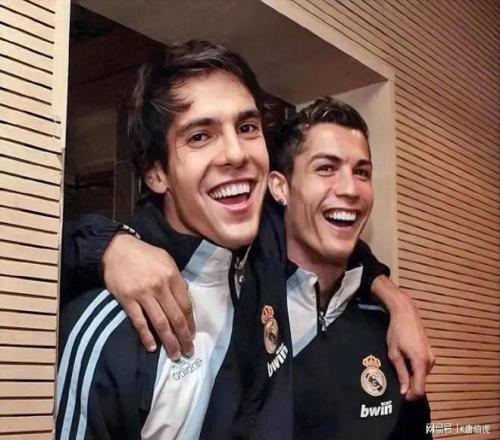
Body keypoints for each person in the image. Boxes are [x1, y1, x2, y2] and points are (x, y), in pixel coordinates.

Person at [56, 40, 294, 440]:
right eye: (200, 136)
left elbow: (333, 227)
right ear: (156, 174)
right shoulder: (111, 329)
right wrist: (107, 246)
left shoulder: (267, 239)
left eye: (247, 127)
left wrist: (392, 297)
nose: (237, 154)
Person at [266, 96, 431, 438]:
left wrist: (399, 303)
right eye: (326, 168)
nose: (350, 189)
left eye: (361, 172)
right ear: (281, 187)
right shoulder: (243, 304)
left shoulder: (389, 328)